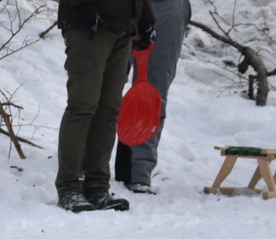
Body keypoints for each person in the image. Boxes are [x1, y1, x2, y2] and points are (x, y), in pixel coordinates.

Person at [55, 0, 157, 212]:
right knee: (82, 107)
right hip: (89, 25)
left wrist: (145, 18)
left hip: (124, 27)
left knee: (108, 111)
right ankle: (69, 187)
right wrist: (80, 5)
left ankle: (97, 186)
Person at [114, 0, 192, 194]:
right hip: (116, 6)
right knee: (106, 84)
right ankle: (87, 167)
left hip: (166, 6)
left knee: (151, 91)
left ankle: (138, 171)